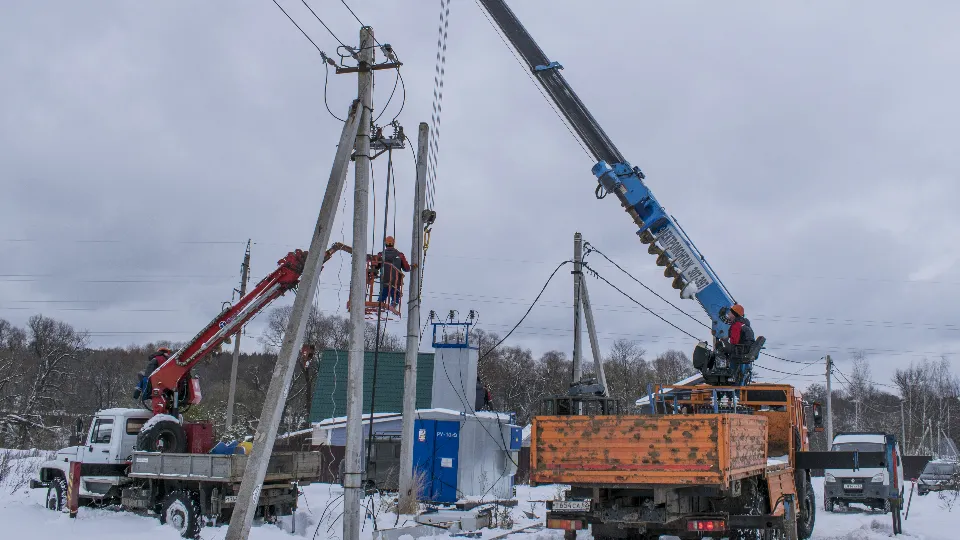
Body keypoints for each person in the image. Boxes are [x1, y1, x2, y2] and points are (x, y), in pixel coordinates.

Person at [375, 236, 410, 307]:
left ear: (385, 244)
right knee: (395, 297)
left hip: (384, 281)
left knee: (382, 296)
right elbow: (406, 268)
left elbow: (376, 266)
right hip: (395, 282)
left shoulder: (381, 255)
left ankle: (379, 305)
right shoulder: (400, 255)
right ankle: (394, 303)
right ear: (393, 243)